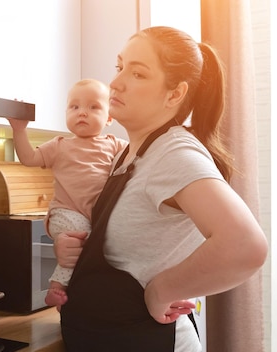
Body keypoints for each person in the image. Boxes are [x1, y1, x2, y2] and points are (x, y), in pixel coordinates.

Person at [53, 26, 268, 351]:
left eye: (137, 73)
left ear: (174, 94)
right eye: (120, 67)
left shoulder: (174, 153)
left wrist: (162, 289)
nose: (116, 82)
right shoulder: (129, 154)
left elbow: (245, 246)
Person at [8, 79, 127, 309]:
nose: (82, 113)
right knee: (79, 239)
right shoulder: (59, 145)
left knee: (96, 248)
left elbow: (143, 154)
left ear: (109, 117)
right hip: (65, 212)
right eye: (75, 107)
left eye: (93, 107)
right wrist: (19, 130)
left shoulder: (115, 145)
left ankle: (73, 299)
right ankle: (56, 287)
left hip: (95, 217)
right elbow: (28, 158)